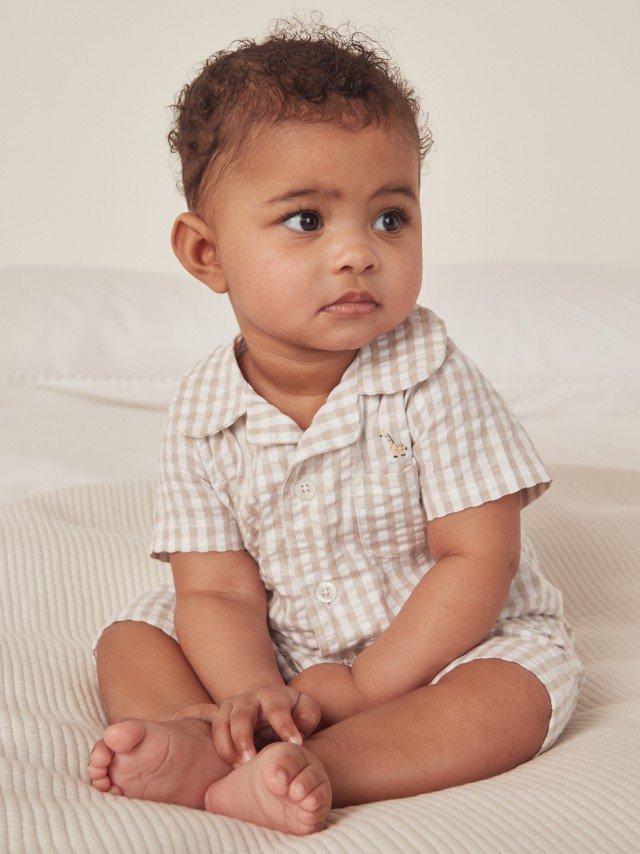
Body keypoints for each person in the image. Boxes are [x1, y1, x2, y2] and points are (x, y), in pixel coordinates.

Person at [86, 14, 586, 836]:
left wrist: (363, 689)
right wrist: (253, 689)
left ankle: (322, 765)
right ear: (207, 255)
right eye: (307, 220)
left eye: (390, 217)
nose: (358, 252)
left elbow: (477, 556)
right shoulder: (206, 413)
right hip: (280, 645)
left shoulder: (433, 379)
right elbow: (214, 585)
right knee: (130, 638)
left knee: (514, 696)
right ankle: (209, 737)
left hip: (440, 643)